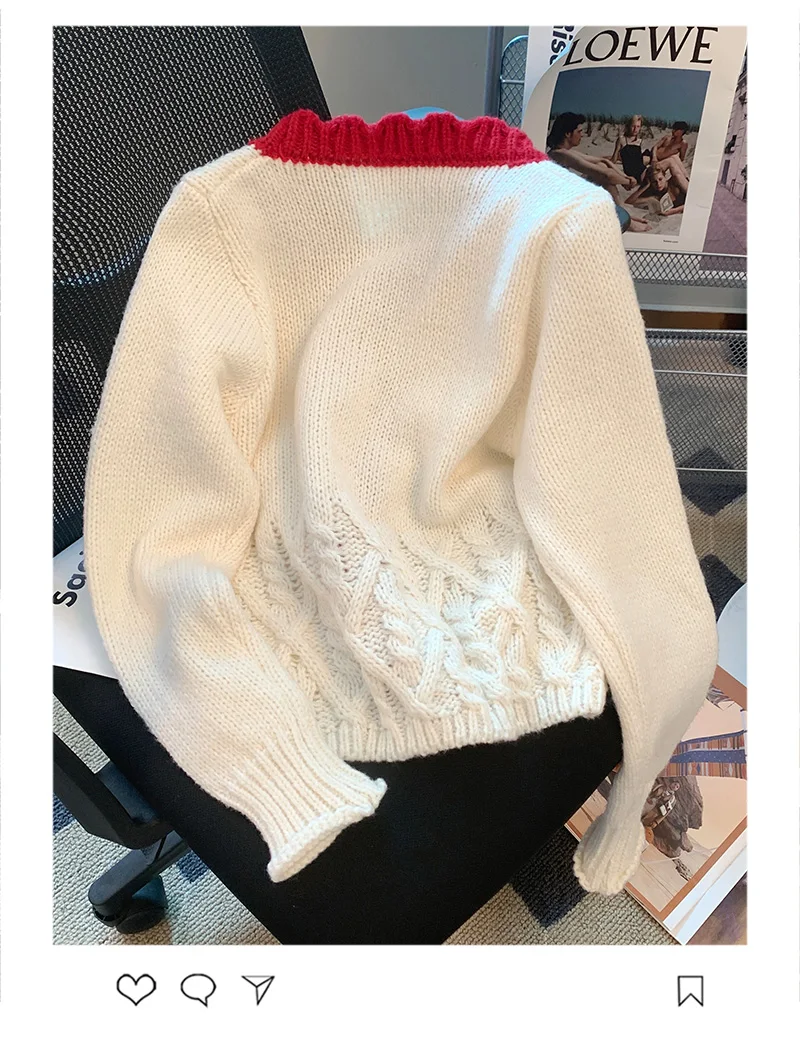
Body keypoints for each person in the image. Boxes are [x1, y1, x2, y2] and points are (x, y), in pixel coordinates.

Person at [547, 112, 650, 231]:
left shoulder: (563, 151)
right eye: (579, 131)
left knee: (601, 166)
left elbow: (603, 161)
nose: (582, 135)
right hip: (560, 207)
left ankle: (625, 215)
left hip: (568, 199)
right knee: (601, 175)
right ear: (568, 134)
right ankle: (625, 220)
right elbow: (607, 175)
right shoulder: (560, 155)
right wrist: (627, 181)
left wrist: (625, 177)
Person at [625, 153, 689, 216]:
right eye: (654, 182)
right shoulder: (654, 195)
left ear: (665, 177)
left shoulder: (675, 181)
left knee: (674, 160)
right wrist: (645, 186)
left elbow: (692, 200)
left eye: (660, 179)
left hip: (689, 185)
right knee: (674, 158)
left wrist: (673, 211)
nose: (658, 184)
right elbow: (628, 202)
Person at [610, 114, 652, 184]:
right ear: (629, 126)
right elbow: (614, 159)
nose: (635, 129)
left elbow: (640, 160)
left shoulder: (640, 141)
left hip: (642, 171)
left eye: (638, 126)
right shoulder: (622, 140)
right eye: (633, 126)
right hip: (630, 174)